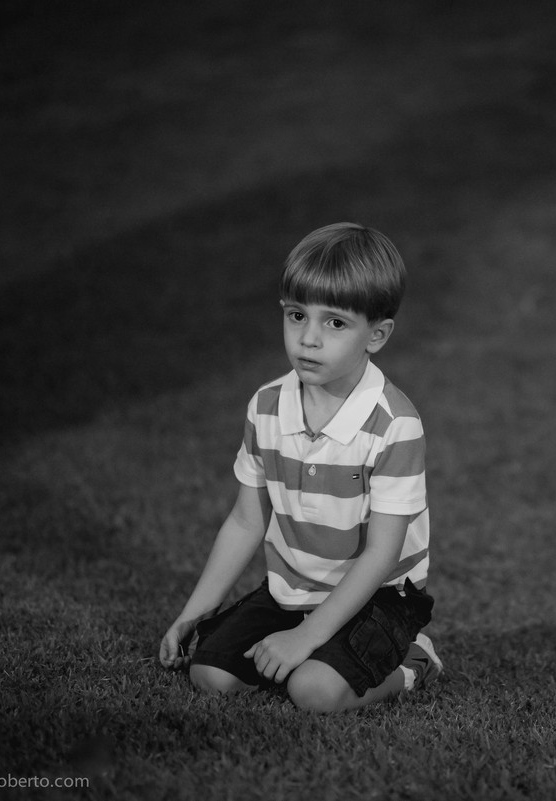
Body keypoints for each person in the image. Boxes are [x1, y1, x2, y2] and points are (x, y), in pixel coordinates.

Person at [158, 222, 441, 712]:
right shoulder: (267, 406)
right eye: (296, 315)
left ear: (376, 335)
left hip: (380, 595)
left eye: (335, 324)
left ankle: (414, 660)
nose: (308, 338)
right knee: (210, 675)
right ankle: (311, 648)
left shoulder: (395, 424)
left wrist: (306, 637)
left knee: (313, 692)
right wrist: (193, 615)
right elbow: (246, 521)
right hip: (291, 589)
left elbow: (382, 554)